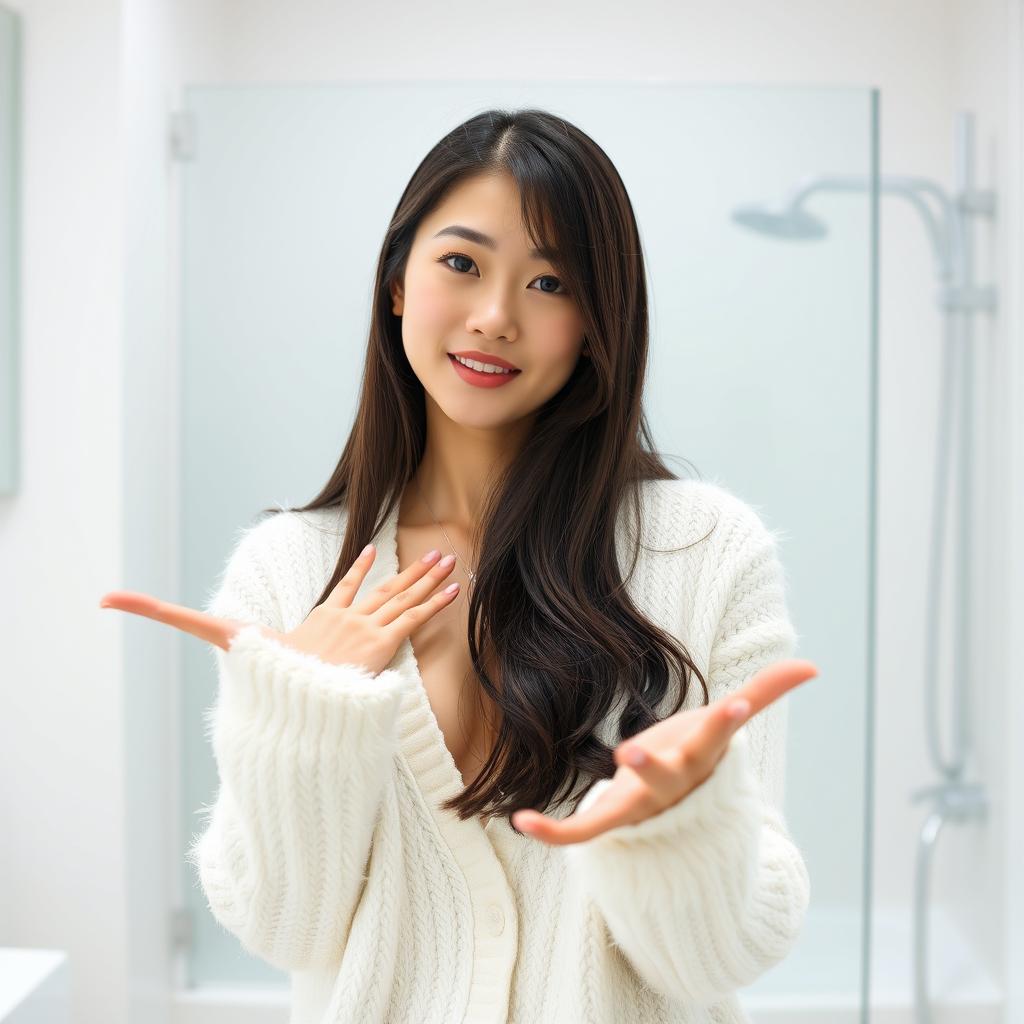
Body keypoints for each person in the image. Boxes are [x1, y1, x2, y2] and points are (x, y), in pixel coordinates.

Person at [100, 107, 818, 1024]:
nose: (495, 318)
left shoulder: (706, 552)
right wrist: (307, 715)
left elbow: (730, 954)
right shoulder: (290, 568)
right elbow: (284, 929)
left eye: (551, 281)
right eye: (461, 263)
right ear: (397, 282)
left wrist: (679, 823)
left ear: (598, 322)